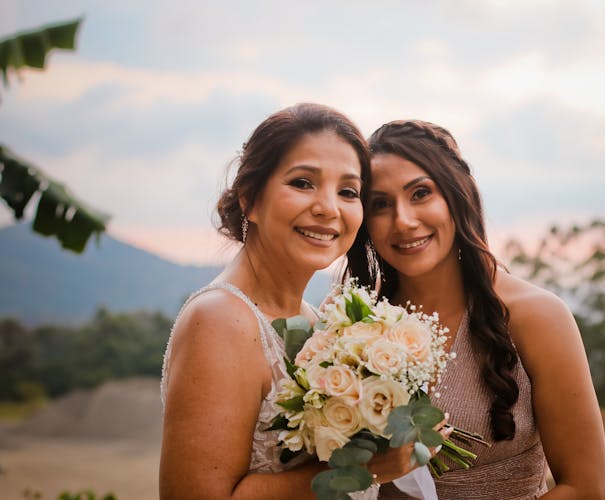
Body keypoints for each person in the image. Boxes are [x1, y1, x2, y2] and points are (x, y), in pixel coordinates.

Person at [159, 104, 418, 499]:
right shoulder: (220, 321)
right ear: (249, 198)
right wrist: (357, 470)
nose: (328, 208)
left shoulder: (317, 325)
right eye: (302, 183)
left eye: (348, 191)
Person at [345, 120, 605, 499]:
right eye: (381, 204)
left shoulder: (537, 316)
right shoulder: (353, 324)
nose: (403, 220)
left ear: (457, 195)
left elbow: (587, 489)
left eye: (420, 193)